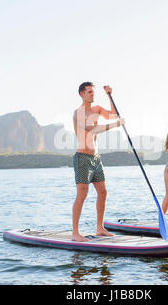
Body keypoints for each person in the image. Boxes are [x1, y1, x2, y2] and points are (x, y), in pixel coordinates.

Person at [72, 82, 125, 242]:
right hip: (82, 157)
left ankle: (100, 228)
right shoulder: (79, 112)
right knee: (82, 194)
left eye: (93, 92)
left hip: (96, 158)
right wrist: (114, 125)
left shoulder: (97, 109)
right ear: (82, 94)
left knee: (103, 192)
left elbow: (114, 114)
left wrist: (110, 95)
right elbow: (91, 129)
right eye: (89, 92)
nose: (92, 95)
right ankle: (75, 233)